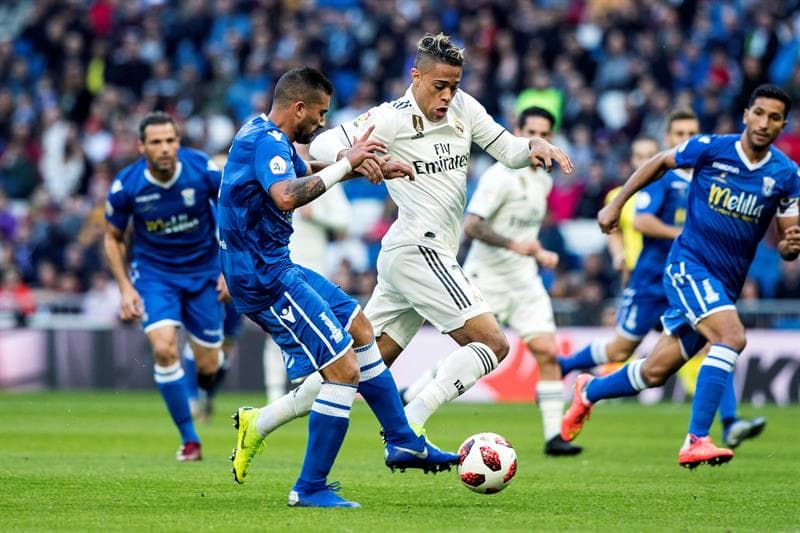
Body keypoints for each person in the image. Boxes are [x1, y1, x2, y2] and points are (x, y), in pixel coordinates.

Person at [218, 66, 459, 509]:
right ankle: (309, 487)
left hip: (273, 265)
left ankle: (403, 439)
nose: (324, 122)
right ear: (299, 108)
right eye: (321, 113)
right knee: (343, 373)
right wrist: (349, 160)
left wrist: (366, 167)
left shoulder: (265, 136)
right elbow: (287, 195)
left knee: (361, 328)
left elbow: (303, 169)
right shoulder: (265, 140)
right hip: (263, 277)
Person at [310, 33, 573, 434]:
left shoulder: (464, 108)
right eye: (439, 86)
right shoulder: (391, 117)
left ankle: (262, 420)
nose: (448, 95)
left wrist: (532, 144)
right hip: (420, 248)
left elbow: (507, 149)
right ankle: (410, 424)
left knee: (359, 366)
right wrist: (350, 157)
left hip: (418, 253)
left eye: (454, 86)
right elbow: (323, 143)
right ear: (415, 77)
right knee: (493, 344)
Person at [561, 84, 800, 468]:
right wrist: (616, 204)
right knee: (731, 337)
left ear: (783, 125)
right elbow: (658, 162)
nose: (764, 123)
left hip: (725, 283)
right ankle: (697, 438)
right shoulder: (711, 148)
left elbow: (789, 242)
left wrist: (791, 245)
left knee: (655, 371)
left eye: (774, 118)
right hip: (688, 266)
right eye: (759, 113)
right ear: (746, 114)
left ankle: (589, 390)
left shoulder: (787, 175)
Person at [400, 107, 582, 456]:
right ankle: (413, 395)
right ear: (518, 131)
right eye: (532, 131)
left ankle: (553, 437)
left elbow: (523, 228)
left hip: (524, 279)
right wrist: (518, 246)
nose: (539, 139)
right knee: (475, 351)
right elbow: (472, 225)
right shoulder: (500, 176)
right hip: (488, 277)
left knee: (546, 351)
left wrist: (535, 251)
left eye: (545, 133)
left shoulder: (543, 178)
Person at [104, 111, 225, 461]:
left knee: (209, 366)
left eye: (170, 141)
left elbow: (233, 210)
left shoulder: (202, 169)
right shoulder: (126, 186)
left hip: (204, 274)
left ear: (179, 142)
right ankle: (190, 440)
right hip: (155, 276)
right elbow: (113, 238)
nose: (165, 148)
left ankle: (201, 393)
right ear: (142, 146)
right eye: (156, 142)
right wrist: (126, 288)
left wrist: (228, 268)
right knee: (164, 349)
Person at [604, 137, 659, 287]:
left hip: (666, 270)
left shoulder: (674, 192)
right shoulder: (617, 197)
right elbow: (613, 231)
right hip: (635, 273)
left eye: (651, 156)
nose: (645, 162)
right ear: (631, 160)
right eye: (639, 157)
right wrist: (619, 255)